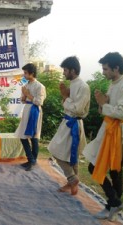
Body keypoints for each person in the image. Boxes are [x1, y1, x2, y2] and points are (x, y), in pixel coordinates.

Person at [83, 52, 123, 221]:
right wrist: (101, 103)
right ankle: (114, 202)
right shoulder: (113, 83)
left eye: (105, 69)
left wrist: (104, 105)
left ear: (116, 68)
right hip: (107, 129)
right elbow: (106, 107)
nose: (103, 72)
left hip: (117, 132)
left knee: (115, 170)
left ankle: (112, 205)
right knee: (94, 166)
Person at [48, 56, 90, 195]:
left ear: (73, 70)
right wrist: (65, 96)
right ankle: (72, 184)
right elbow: (67, 105)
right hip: (67, 122)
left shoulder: (83, 87)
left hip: (74, 123)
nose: (64, 73)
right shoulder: (72, 84)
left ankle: (72, 178)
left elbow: (77, 108)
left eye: (65, 70)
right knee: (69, 155)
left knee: (57, 150)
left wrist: (65, 97)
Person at [14, 63, 46, 171]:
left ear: (32, 73)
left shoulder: (40, 86)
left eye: (26, 73)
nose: (24, 75)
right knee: (23, 136)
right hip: (27, 110)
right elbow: (23, 100)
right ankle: (31, 159)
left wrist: (27, 95)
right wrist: (23, 96)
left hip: (34, 111)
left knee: (33, 136)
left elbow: (39, 101)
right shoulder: (27, 85)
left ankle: (32, 161)